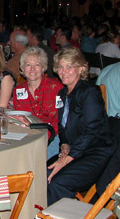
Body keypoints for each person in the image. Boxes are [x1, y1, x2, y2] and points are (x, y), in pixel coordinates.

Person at [48, 47, 115, 207]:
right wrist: (64, 146)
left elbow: (92, 131)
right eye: (61, 67)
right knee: (41, 173)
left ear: (81, 68)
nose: (64, 71)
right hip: (75, 150)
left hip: (94, 152)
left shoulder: (90, 92)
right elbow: (62, 127)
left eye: (69, 67)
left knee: (58, 182)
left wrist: (65, 160)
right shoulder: (62, 94)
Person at [12, 46, 64, 159]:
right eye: (28, 65)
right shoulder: (18, 90)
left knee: (36, 160)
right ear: (22, 68)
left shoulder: (56, 87)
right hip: (27, 136)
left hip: (52, 137)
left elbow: (60, 121)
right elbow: (19, 118)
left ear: (43, 67)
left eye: (37, 64)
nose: (32, 69)